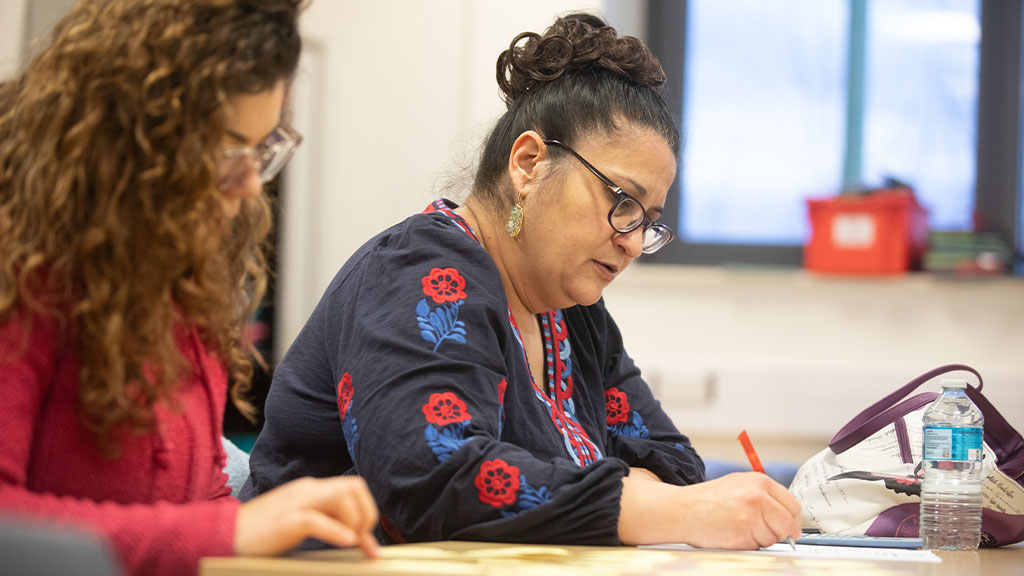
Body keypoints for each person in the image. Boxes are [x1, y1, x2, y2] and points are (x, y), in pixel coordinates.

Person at [242, 12, 802, 549]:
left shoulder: (575, 314)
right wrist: (668, 509)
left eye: (648, 221)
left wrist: (657, 500)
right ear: (529, 162)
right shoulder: (422, 271)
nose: (632, 240)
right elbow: (434, 481)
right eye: (622, 201)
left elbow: (672, 459)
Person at [0, 1, 379, 575]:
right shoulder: (23, 269)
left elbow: (200, 503)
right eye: (229, 150)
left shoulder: (179, 287)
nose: (252, 183)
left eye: (262, 151)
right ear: (132, 134)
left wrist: (268, 536)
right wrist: (235, 531)